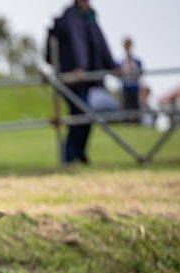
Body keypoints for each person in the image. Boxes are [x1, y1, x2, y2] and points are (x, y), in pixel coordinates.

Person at [52, 0, 117, 164]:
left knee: (86, 116)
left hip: (89, 79)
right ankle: (70, 157)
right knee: (80, 114)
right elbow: (77, 42)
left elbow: (101, 44)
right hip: (73, 78)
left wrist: (114, 66)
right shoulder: (71, 16)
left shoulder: (91, 16)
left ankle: (77, 155)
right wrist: (79, 67)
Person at [119, 37, 143, 121]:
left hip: (135, 87)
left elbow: (140, 73)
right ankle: (126, 122)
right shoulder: (121, 61)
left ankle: (137, 122)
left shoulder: (137, 61)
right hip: (125, 87)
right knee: (126, 105)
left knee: (135, 105)